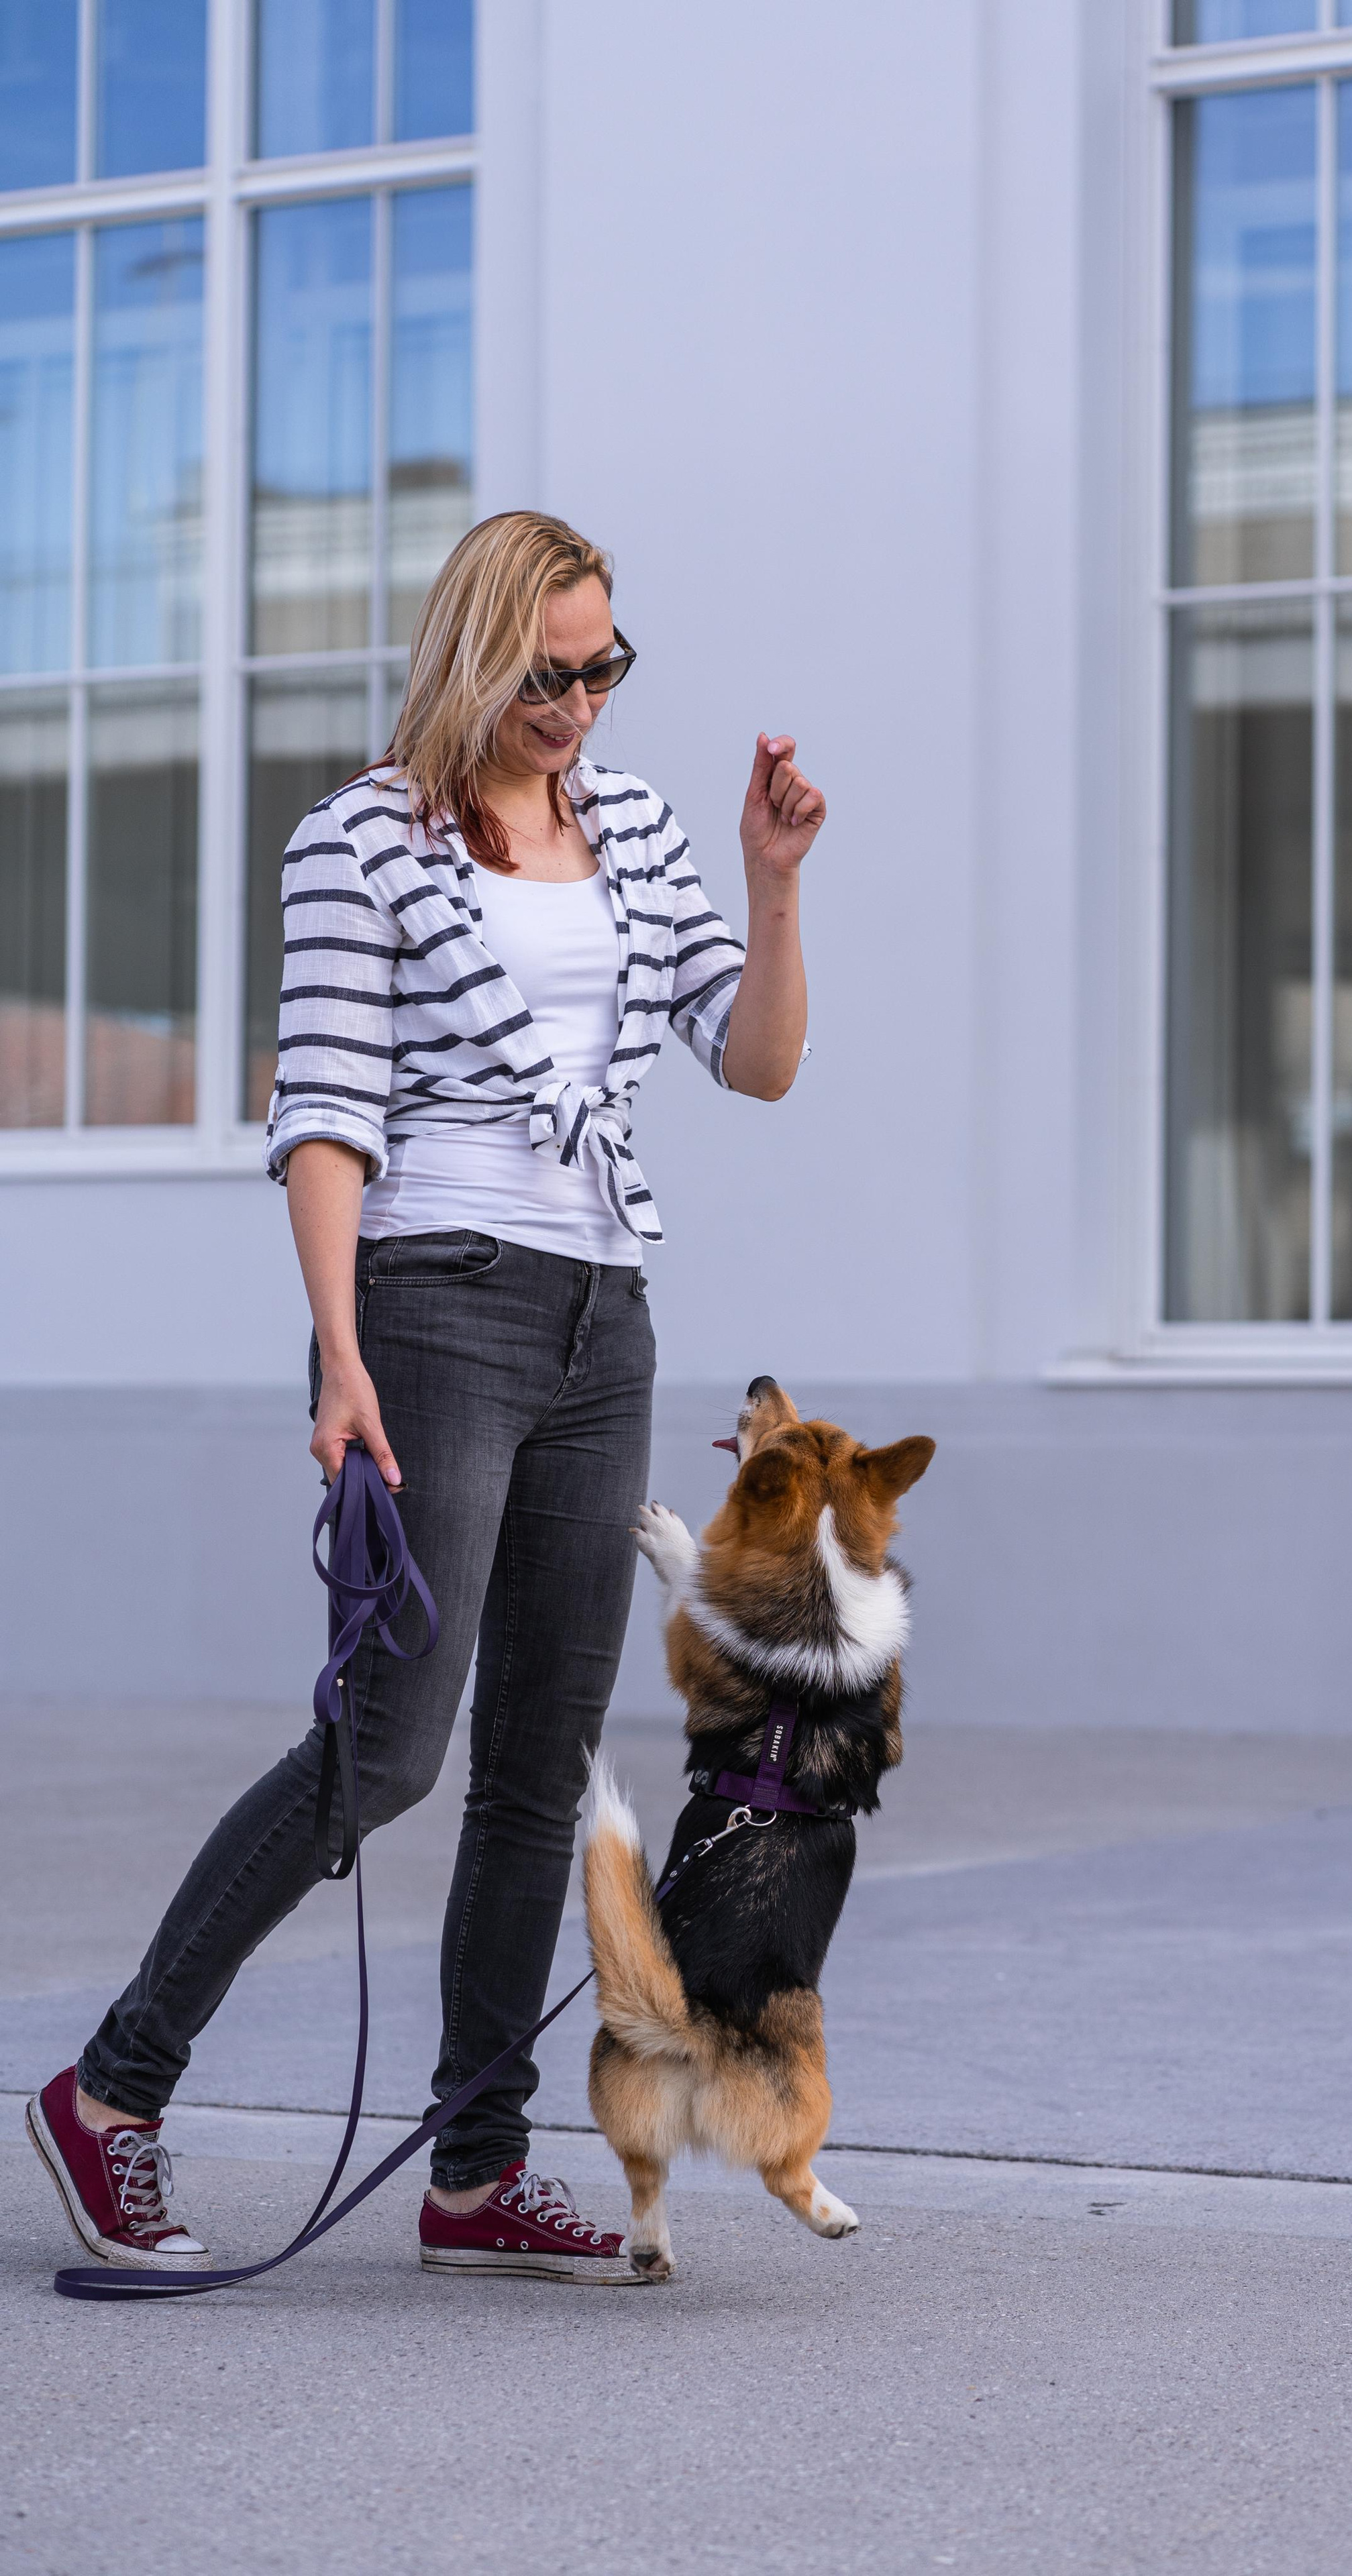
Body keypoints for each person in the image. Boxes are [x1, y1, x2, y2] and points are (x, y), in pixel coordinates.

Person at [27, 511, 823, 2279]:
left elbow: (755, 1062)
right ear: (471, 655)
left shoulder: (637, 833)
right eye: (547, 673)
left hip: (601, 1318)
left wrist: (773, 886)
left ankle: (475, 2171)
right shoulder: (361, 844)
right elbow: (326, 1115)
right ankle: (113, 2092)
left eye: (605, 667)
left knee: (540, 1763)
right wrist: (340, 1355)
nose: (579, 704)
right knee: (388, 1746)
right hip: (435, 1308)